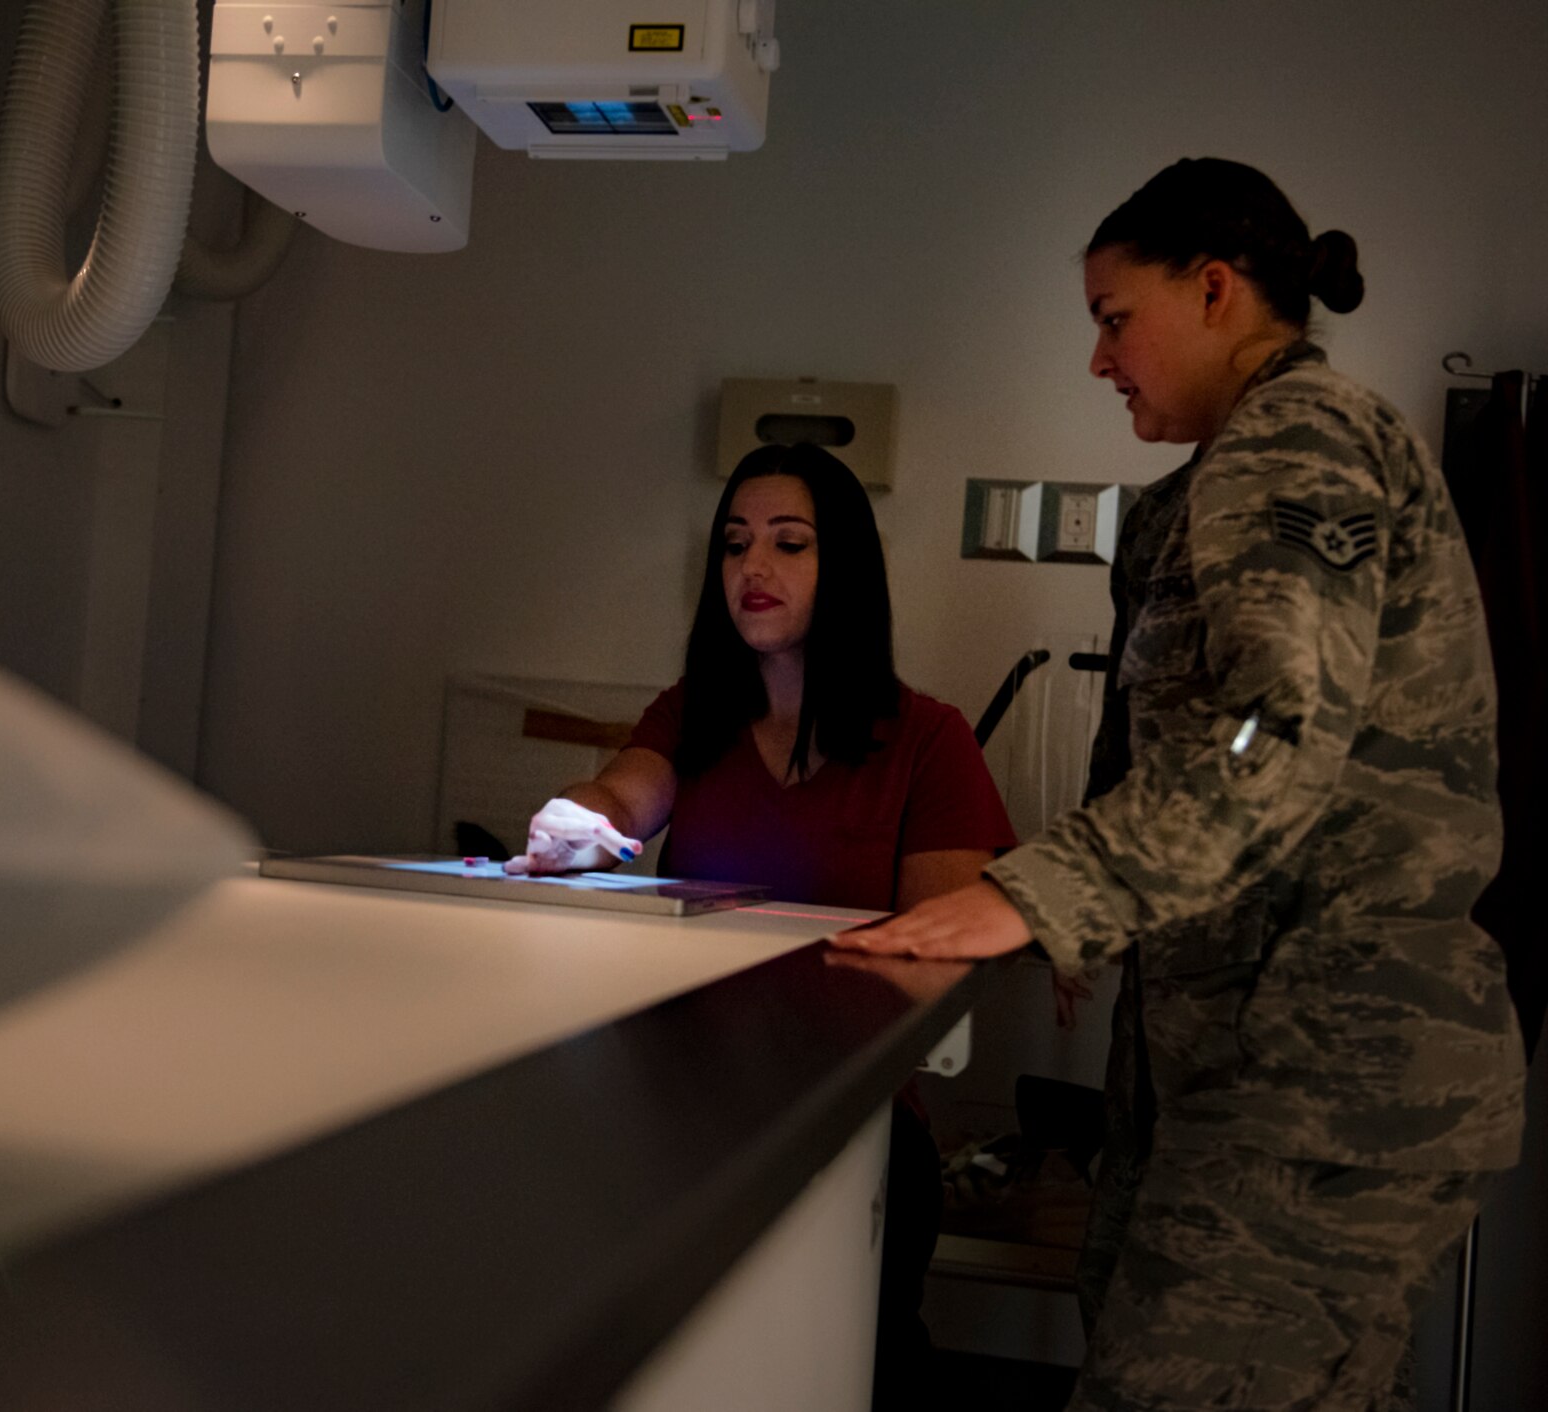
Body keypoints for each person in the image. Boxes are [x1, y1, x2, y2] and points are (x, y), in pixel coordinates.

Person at [832, 158, 1529, 1411]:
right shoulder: (1192, 498)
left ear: (1213, 291)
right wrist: (1083, 912)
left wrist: (1042, 895)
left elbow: (1272, 724)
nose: (1099, 360)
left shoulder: (1298, 435)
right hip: (1237, 1064)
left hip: (1327, 1070)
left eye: (1113, 319)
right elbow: (1188, 728)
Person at [507, 440, 1017, 1409]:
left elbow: (946, 937)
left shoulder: (926, 740)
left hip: (850, 1124)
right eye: (735, 543)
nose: (754, 566)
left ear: (846, 569)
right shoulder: (692, 712)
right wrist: (578, 819)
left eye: (789, 542)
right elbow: (623, 789)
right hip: (683, 1121)